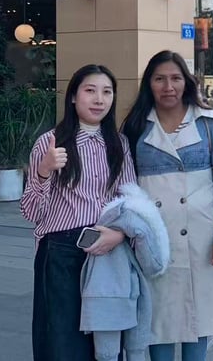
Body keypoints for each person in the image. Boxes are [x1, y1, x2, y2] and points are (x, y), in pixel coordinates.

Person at [121, 51, 213, 361]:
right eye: (159, 79)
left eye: (175, 78)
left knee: (199, 317)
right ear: (149, 84)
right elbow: (123, 183)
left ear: (186, 82)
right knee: (158, 318)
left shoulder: (207, 122)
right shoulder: (136, 126)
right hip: (155, 239)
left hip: (202, 238)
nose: (168, 86)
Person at [21, 64, 137, 361]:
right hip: (60, 253)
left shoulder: (119, 144)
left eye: (107, 92)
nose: (99, 99)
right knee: (61, 342)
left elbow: (130, 202)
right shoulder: (50, 143)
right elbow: (31, 211)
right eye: (90, 90)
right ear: (73, 96)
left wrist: (120, 234)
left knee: (105, 341)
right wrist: (44, 171)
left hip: (106, 251)